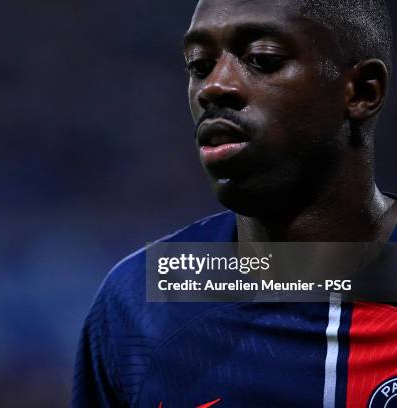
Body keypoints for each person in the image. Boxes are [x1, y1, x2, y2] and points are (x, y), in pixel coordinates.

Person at [71, 0, 397, 407]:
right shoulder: (144, 299)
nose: (213, 86)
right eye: (198, 64)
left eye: (262, 59)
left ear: (362, 90)